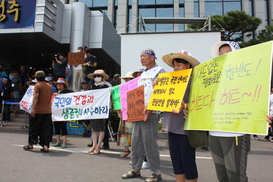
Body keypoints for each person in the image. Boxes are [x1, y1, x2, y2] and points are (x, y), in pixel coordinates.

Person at [122, 49, 165, 182]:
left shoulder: (160, 71)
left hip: (151, 112)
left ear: (152, 57)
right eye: (140, 56)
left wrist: (150, 109)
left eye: (144, 56)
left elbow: (160, 91)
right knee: (136, 141)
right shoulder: (144, 72)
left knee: (149, 142)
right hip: (139, 112)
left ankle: (156, 172)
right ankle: (135, 168)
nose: (141, 58)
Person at [209, 41, 250, 182]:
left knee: (236, 176)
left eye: (227, 53)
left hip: (235, 132)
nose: (223, 57)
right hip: (214, 132)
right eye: (220, 55)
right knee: (222, 175)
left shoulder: (247, 75)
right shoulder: (212, 78)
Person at [161, 50, 200, 182]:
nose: (175, 68)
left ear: (187, 65)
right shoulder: (169, 80)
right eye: (174, 66)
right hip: (171, 124)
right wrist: (158, 87)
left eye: (178, 65)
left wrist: (185, 106)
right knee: (176, 160)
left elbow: (201, 102)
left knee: (187, 160)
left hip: (185, 126)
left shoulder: (195, 81)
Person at [23, 71, 53, 152]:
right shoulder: (49, 86)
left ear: (36, 78)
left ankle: (31, 144)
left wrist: (32, 108)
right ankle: (45, 146)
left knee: (34, 127)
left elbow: (36, 97)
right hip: (47, 110)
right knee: (46, 129)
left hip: (38, 110)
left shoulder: (37, 86)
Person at [86, 69, 111, 154]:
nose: (97, 78)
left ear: (102, 77)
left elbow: (110, 97)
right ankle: (94, 145)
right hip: (94, 109)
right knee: (94, 128)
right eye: (95, 76)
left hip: (103, 109)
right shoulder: (92, 86)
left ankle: (98, 145)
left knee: (101, 128)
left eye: (98, 76)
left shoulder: (106, 86)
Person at [117, 72, 134, 157]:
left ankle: (133, 151)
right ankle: (126, 150)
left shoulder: (135, 89)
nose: (127, 81)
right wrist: (118, 108)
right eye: (126, 79)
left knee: (132, 133)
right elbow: (118, 100)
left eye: (129, 79)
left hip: (131, 114)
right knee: (124, 133)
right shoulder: (122, 89)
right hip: (123, 113)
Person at [53, 78, 73, 148]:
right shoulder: (55, 92)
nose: (59, 85)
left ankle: (64, 142)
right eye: (58, 84)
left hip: (63, 113)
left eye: (60, 84)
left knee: (63, 127)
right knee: (56, 127)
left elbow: (73, 96)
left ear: (64, 85)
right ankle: (58, 141)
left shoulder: (67, 92)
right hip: (56, 112)